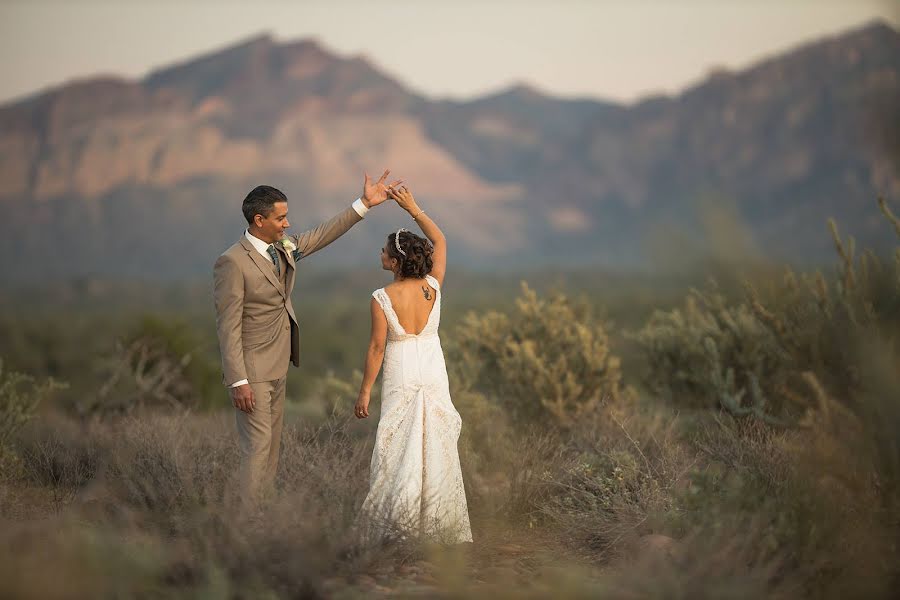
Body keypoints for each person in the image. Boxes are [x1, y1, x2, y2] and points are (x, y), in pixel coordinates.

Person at [213, 170, 400, 506]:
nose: (287, 224)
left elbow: (323, 234)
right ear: (259, 220)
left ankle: (263, 515)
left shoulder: (282, 248)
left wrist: (364, 205)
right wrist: (237, 380)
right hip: (251, 372)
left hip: (279, 365)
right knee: (256, 447)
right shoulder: (231, 262)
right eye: (281, 218)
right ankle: (248, 528)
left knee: (270, 448)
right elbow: (227, 325)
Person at [354, 184, 473, 544]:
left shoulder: (381, 297)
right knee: (434, 439)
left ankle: (397, 529)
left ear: (394, 261)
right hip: (432, 366)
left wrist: (364, 392)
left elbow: (377, 348)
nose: (381, 253)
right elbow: (442, 240)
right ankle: (439, 526)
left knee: (398, 440)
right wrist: (413, 208)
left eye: (385, 251)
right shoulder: (433, 287)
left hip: (403, 368)